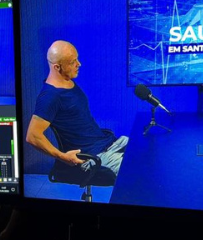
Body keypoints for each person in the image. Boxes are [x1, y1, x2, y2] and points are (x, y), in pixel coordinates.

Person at [26, 40, 128, 176]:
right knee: (140, 171)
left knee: (145, 149)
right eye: (72, 62)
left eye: (77, 59)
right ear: (57, 67)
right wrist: (63, 157)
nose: (79, 64)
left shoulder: (67, 82)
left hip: (107, 143)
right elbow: (32, 136)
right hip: (94, 156)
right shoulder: (50, 96)